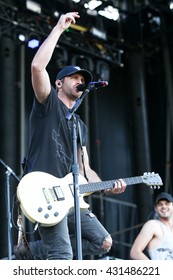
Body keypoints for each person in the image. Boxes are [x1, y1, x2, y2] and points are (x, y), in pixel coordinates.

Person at [15, 12, 126, 260]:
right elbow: (37, 67)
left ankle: (32, 251)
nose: (80, 81)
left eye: (83, 79)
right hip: (44, 190)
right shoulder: (48, 104)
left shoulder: (80, 125)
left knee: (103, 242)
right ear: (58, 83)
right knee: (63, 253)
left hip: (72, 195)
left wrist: (108, 187)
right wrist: (57, 29)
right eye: (74, 77)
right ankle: (49, 252)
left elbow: (85, 168)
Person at [130, 192, 173, 260]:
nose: (164, 206)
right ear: (155, 209)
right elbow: (135, 252)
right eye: (160, 204)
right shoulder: (153, 225)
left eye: (167, 204)